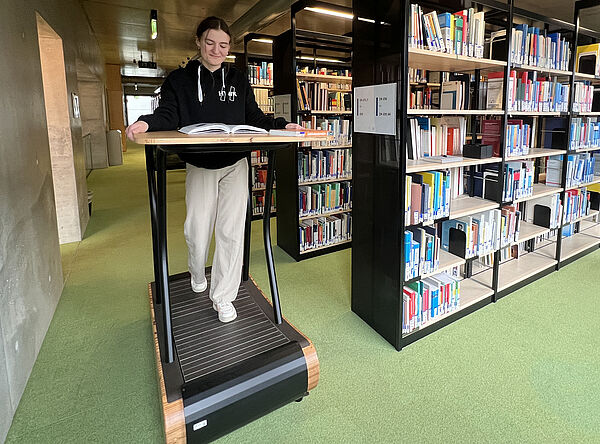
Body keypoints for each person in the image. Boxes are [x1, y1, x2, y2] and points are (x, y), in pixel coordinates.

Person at [126, 16, 301, 323]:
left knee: (231, 233)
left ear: (228, 47)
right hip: (200, 163)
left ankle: (223, 297)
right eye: (210, 43)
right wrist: (146, 123)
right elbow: (168, 113)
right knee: (196, 231)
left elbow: (255, 117)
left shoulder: (238, 79)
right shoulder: (179, 80)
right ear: (198, 42)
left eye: (223, 45)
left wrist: (281, 125)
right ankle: (196, 272)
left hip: (235, 164)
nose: (216, 50)